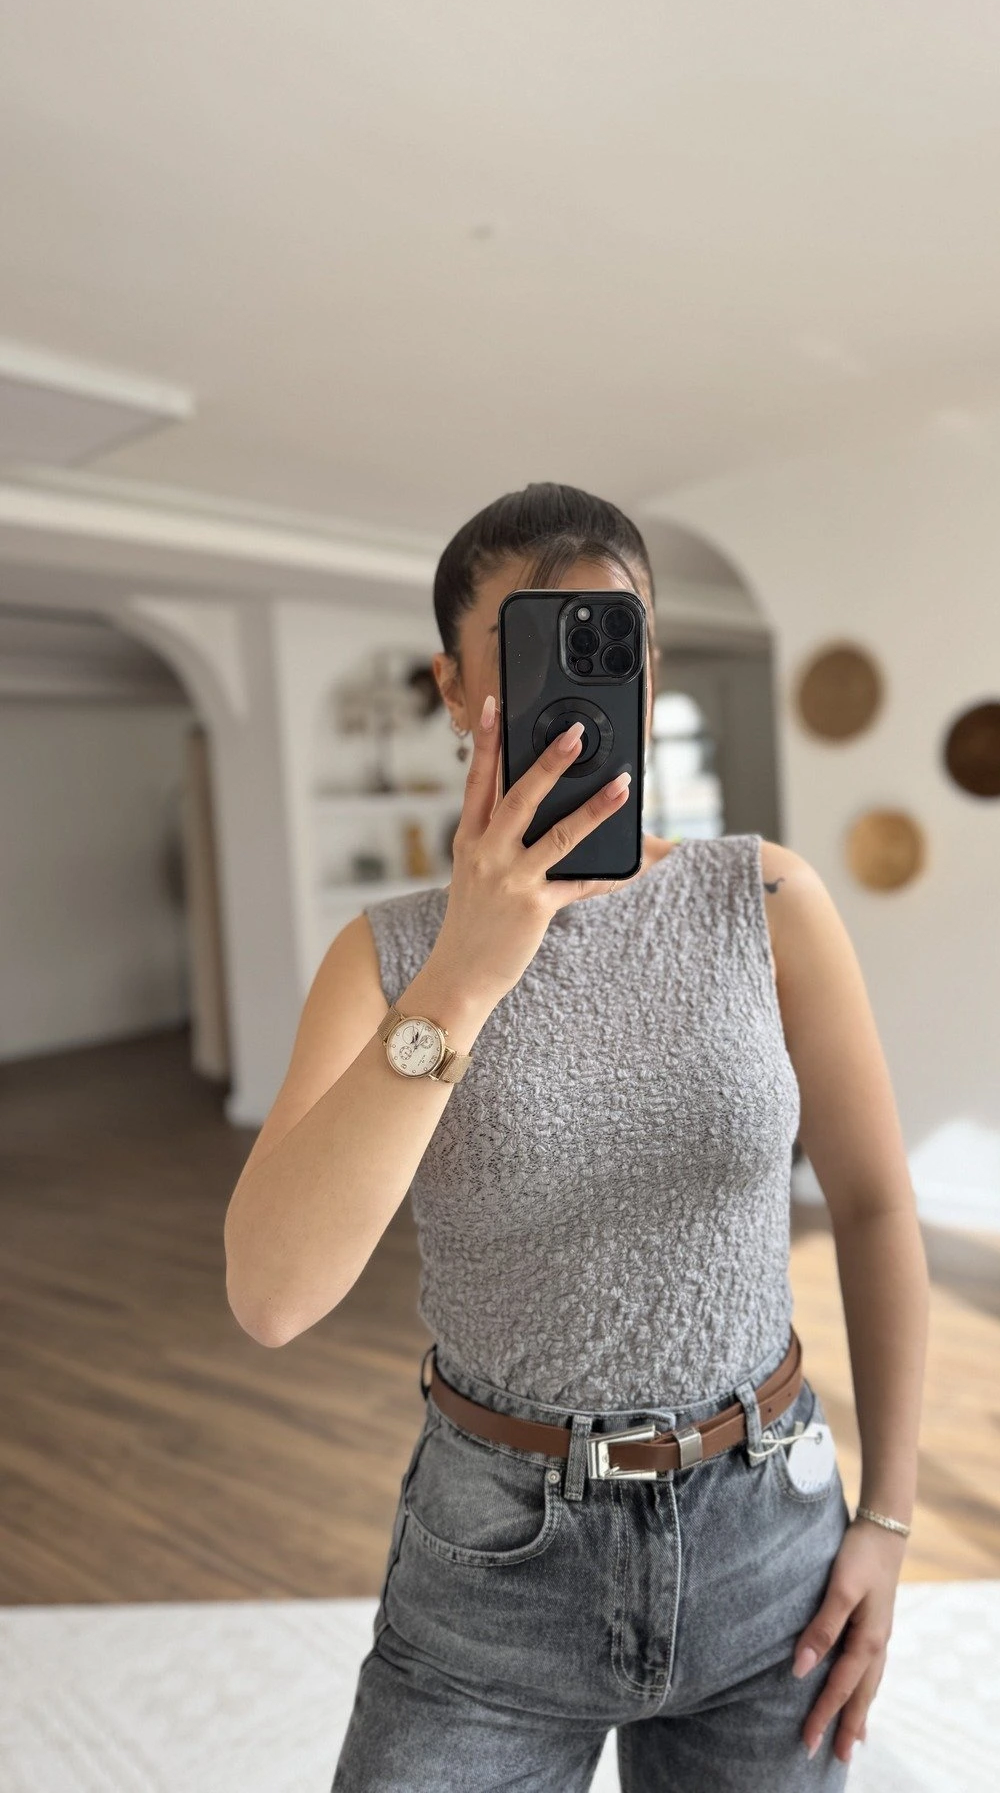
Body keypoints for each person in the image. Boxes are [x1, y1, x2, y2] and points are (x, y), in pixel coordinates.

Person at [224, 483, 930, 1790]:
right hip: (491, 1569)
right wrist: (466, 974)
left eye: (614, 642)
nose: (583, 684)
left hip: (768, 1540)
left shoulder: (768, 900)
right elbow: (272, 1295)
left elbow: (878, 1205)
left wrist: (887, 1515)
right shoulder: (385, 959)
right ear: (454, 688)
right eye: (536, 645)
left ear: (649, 672)